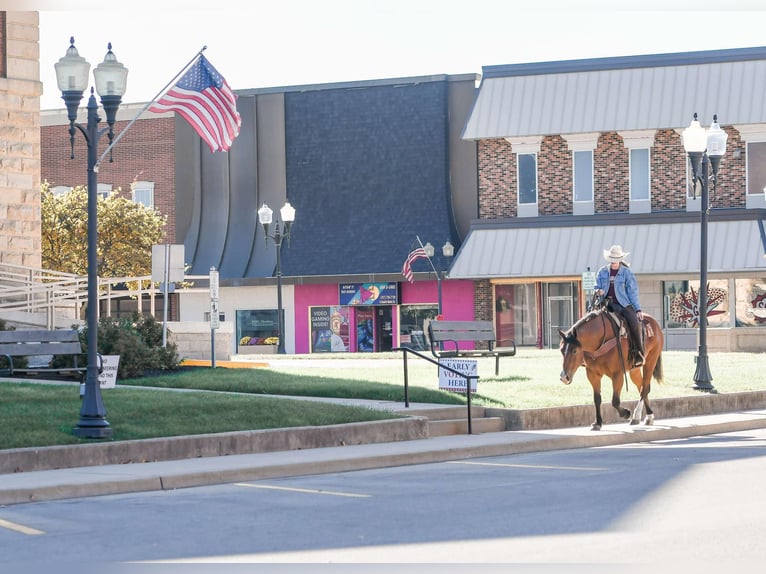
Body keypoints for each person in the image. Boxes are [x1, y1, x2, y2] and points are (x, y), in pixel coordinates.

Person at [594, 245, 645, 367]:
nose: (614, 261)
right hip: (605, 303)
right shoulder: (602, 271)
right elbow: (597, 286)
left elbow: (632, 292)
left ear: (620, 259)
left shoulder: (627, 273)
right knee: (589, 320)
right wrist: (598, 291)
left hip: (623, 305)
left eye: (616, 259)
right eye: (612, 259)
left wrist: (637, 309)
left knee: (634, 323)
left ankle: (639, 352)